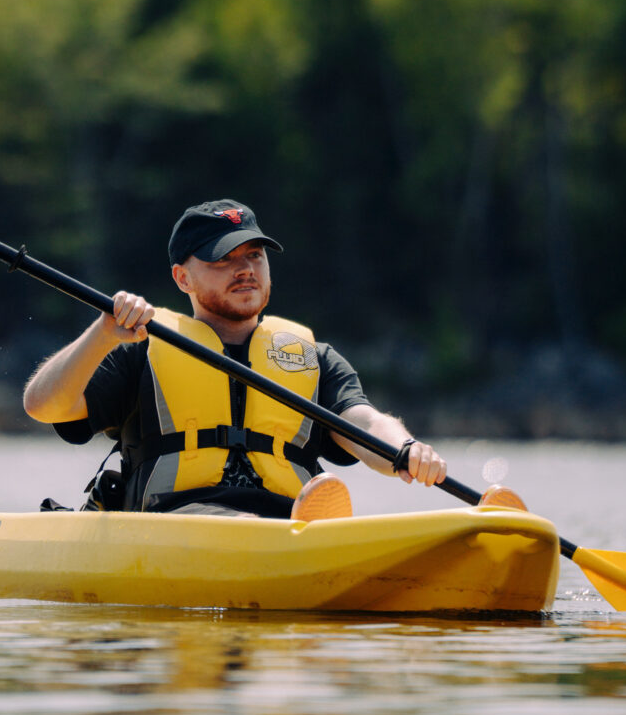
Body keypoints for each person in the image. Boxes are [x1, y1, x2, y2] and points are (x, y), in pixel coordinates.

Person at [23, 198, 447, 519]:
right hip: (176, 526)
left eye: (254, 256)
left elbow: (364, 422)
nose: (245, 269)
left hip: (286, 525)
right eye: (224, 259)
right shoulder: (141, 349)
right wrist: (102, 334)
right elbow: (42, 405)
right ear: (182, 277)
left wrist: (404, 450)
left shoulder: (313, 358)